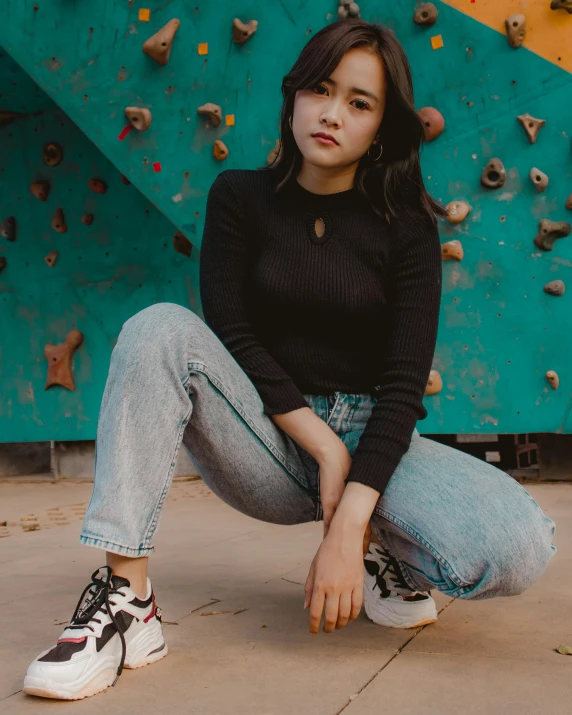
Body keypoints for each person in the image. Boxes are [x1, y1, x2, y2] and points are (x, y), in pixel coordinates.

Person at [24, 18, 556, 701]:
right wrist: (324, 449)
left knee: (519, 546)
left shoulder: (409, 227)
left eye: (359, 103)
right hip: (266, 433)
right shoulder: (240, 199)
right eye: (321, 89)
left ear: (381, 127)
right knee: (159, 328)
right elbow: (236, 336)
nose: (332, 114)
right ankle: (127, 603)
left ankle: (388, 553)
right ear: (295, 94)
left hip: (375, 436)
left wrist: (353, 514)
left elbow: (401, 386)